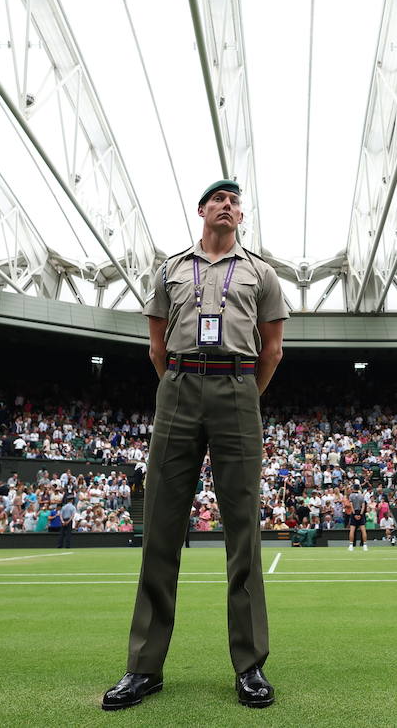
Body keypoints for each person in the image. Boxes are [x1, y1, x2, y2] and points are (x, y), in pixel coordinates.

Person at [103, 180, 287, 712]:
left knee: (243, 530)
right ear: (202, 210)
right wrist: (177, 383)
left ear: (241, 216)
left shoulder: (262, 273)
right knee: (160, 526)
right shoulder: (168, 270)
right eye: (219, 200)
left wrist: (242, 393)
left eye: (236, 201)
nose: (228, 206)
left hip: (238, 387)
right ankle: (143, 667)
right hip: (179, 387)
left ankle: (249, 666)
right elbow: (157, 344)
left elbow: (273, 350)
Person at [347, 485, 368, 552]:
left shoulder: (351, 496)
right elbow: (363, 506)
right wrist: (361, 514)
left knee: (352, 530)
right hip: (360, 513)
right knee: (363, 530)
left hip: (354, 513)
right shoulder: (361, 496)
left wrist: (354, 514)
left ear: (353, 489)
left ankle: (351, 545)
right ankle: (364, 545)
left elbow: (351, 506)